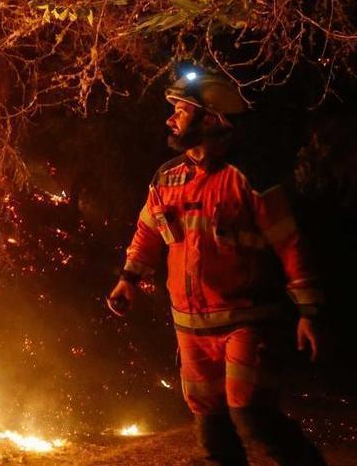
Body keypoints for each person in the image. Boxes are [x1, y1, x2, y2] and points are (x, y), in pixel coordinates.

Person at [107, 66, 326, 465]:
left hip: (247, 320)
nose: (170, 118)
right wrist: (128, 280)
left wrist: (308, 311)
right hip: (190, 327)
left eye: (181, 110)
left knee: (251, 415)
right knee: (211, 429)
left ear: (211, 120)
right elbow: (148, 231)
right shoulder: (165, 179)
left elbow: (290, 244)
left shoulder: (250, 180)